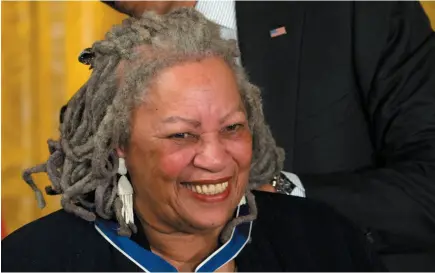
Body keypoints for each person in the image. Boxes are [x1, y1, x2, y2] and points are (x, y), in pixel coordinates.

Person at [1, 9, 384, 272]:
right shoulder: (33, 261)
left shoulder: (326, 243)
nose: (216, 159)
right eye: (182, 135)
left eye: (233, 128)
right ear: (119, 143)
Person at [102, 1, 435, 271]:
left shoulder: (358, 11)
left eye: (231, 127)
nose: (212, 158)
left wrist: (278, 196)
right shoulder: (112, 72)